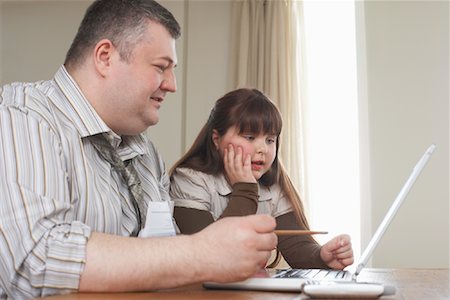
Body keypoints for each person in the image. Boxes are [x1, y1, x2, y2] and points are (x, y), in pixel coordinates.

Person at [0, 1, 278, 298]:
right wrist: (200, 253)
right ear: (105, 57)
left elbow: (162, 261)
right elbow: (34, 260)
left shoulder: (145, 153)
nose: (171, 85)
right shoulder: (22, 115)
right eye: (161, 67)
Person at [170, 88, 354, 270]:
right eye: (250, 137)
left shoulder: (272, 184)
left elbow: (297, 247)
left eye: (270, 140)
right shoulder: (189, 180)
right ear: (217, 139)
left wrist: (322, 256)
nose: (263, 149)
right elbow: (210, 256)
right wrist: (245, 189)